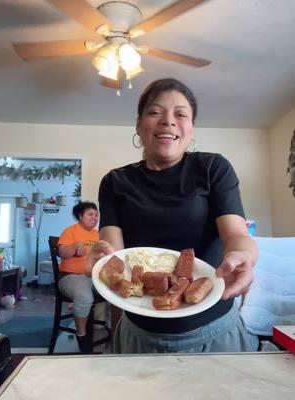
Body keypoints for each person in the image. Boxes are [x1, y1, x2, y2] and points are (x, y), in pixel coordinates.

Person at [85, 78, 259, 353]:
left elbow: (237, 235)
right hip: (139, 335)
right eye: (155, 112)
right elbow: (112, 250)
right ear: (139, 125)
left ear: (191, 130)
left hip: (215, 332)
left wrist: (244, 257)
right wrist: (102, 260)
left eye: (180, 114)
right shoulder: (115, 181)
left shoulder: (213, 168)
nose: (168, 121)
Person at [58, 201, 99, 353]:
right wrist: (74, 247)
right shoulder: (71, 231)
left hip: (94, 277)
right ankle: (81, 335)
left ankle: (115, 333)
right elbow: (62, 253)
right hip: (71, 276)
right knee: (84, 296)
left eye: (96, 215)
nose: (94, 218)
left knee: (118, 291)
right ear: (80, 216)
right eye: (90, 214)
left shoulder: (98, 234)